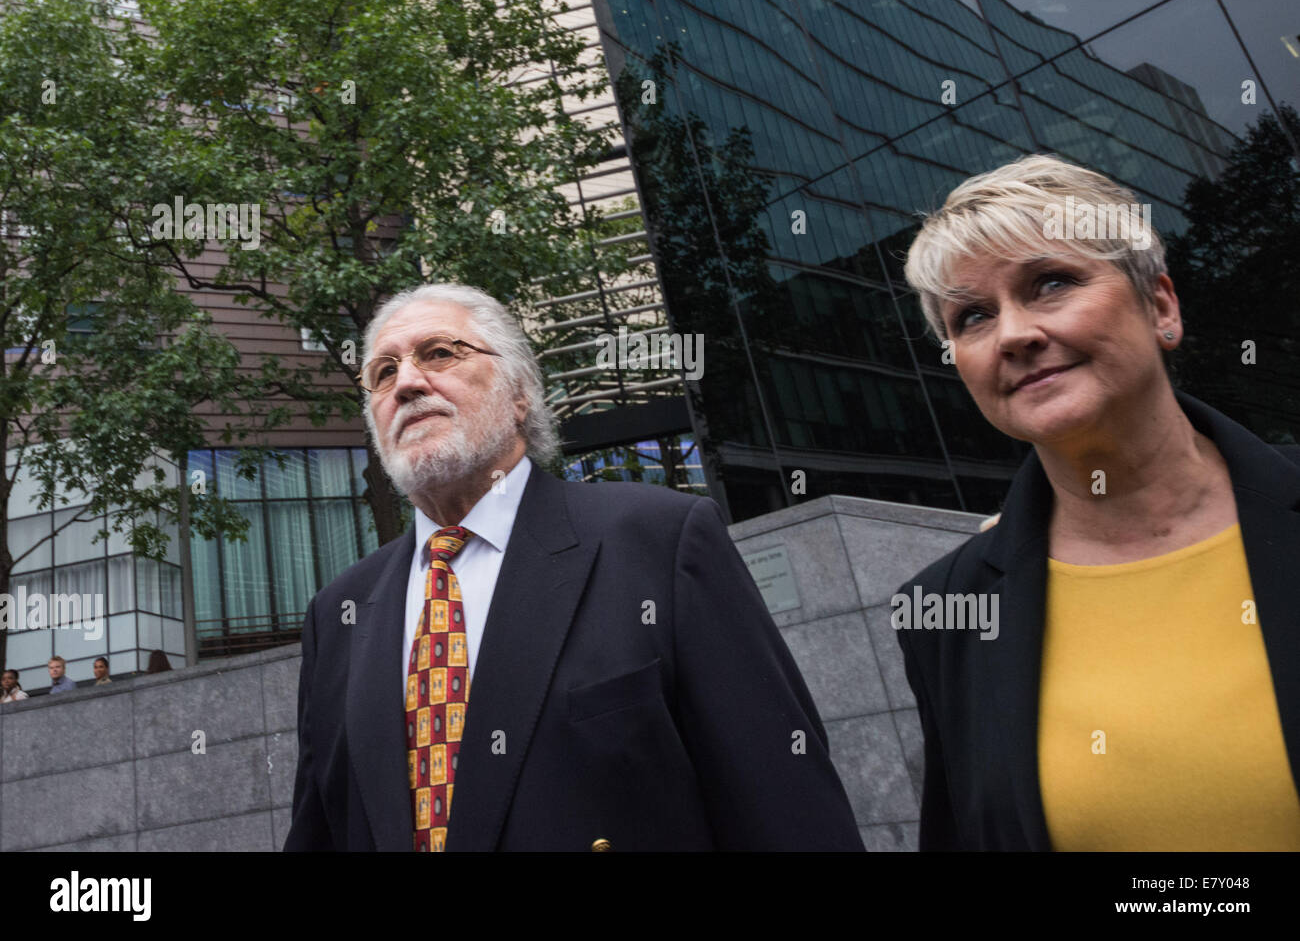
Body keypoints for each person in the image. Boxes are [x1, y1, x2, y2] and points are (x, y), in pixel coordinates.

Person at [285, 283, 863, 852]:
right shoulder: (340, 613)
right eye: (383, 373)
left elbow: (784, 806)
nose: (407, 383)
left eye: (440, 353)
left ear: (520, 394)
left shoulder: (659, 541)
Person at [895, 153, 1300, 851]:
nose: (1015, 334)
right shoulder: (950, 611)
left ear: (1162, 305)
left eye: (1051, 283)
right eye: (972, 317)